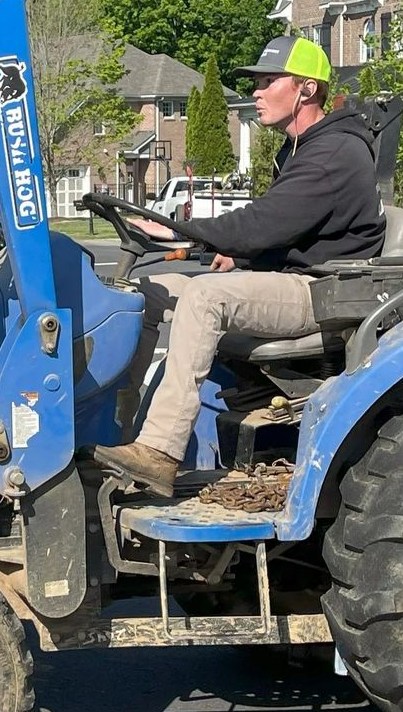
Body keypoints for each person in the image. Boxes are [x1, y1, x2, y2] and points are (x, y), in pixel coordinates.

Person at [92, 33, 385, 494]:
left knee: (207, 296)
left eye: (269, 81)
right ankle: (112, 431)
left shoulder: (335, 152)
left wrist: (182, 229)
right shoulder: (298, 148)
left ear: (306, 89)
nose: (256, 91)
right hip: (288, 276)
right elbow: (290, 225)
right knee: (143, 293)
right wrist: (239, 250)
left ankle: (160, 451)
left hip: (322, 291)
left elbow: (264, 222)